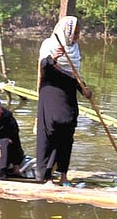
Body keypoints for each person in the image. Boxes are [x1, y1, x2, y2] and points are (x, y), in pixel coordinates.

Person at [35, 16, 91, 186]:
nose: (77, 37)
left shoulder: (75, 49)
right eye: (75, 33)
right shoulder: (49, 44)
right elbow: (44, 67)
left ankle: (63, 175)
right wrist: (53, 57)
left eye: (78, 33)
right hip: (51, 93)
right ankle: (47, 176)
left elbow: (75, 76)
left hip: (68, 96)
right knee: (52, 131)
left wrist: (84, 89)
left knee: (67, 131)